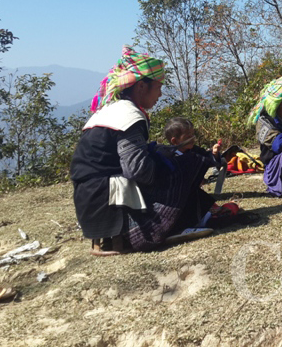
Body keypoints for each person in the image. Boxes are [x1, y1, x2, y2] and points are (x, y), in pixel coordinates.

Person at [70, 46, 212, 255]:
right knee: (185, 164)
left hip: (88, 197)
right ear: (141, 86)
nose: (160, 94)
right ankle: (156, 228)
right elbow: (137, 170)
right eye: (158, 87)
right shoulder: (130, 116)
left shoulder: (108, 110)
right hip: (107, 198)